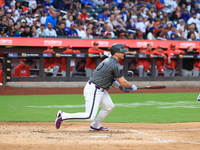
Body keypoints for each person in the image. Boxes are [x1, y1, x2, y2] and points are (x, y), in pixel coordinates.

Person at [54, 43, 138, 131]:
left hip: (100, 88)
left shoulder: (109, 61)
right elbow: (123, 82)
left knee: (109, 106)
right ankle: (64, 116)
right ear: (116, 53)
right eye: (122, 52)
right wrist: (131, 86)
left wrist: (121, 87)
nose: (124, 53)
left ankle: (95, 125)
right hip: (94, 89)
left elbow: (111, 80)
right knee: (89, 116)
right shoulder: (114, 64)